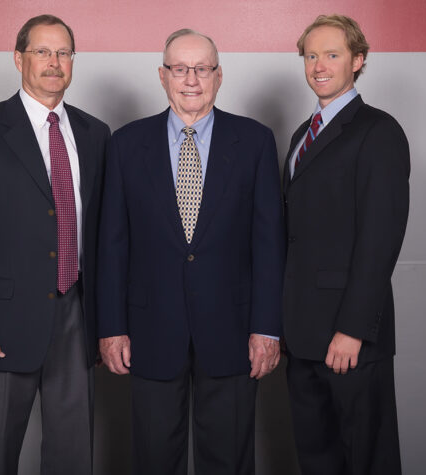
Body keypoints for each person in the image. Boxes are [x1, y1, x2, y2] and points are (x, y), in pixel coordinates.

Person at [96, 28, 285, 475]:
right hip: (149, 332)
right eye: (180, 69)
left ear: (220, 77)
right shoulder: (125, 145)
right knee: (155, 459)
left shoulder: (255, 142)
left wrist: (267, 329)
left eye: (202, 69)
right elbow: (112, 245)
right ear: (162, 77)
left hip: (234, 333)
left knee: (229, 460)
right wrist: (112, 328)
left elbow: (268, 242)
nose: (191, 80)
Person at [0, 14, 109, 474]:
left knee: (74, 454)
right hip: (2, 323)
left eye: (63, 53)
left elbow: (103, 235)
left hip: (77, 316)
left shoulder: (96, 135)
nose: (53, 63)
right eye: (42, 52)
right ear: (19, 59)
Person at [282, 14, 410, 474]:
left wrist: (353, 329)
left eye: (332, 55)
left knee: (367, 460)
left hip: (350, 337)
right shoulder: (301, 136)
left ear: (358, 60)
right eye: (311, 55)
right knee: (318, 459)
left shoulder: (379, 132)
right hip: (302, 335)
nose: (319, 65)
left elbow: (381, 240)